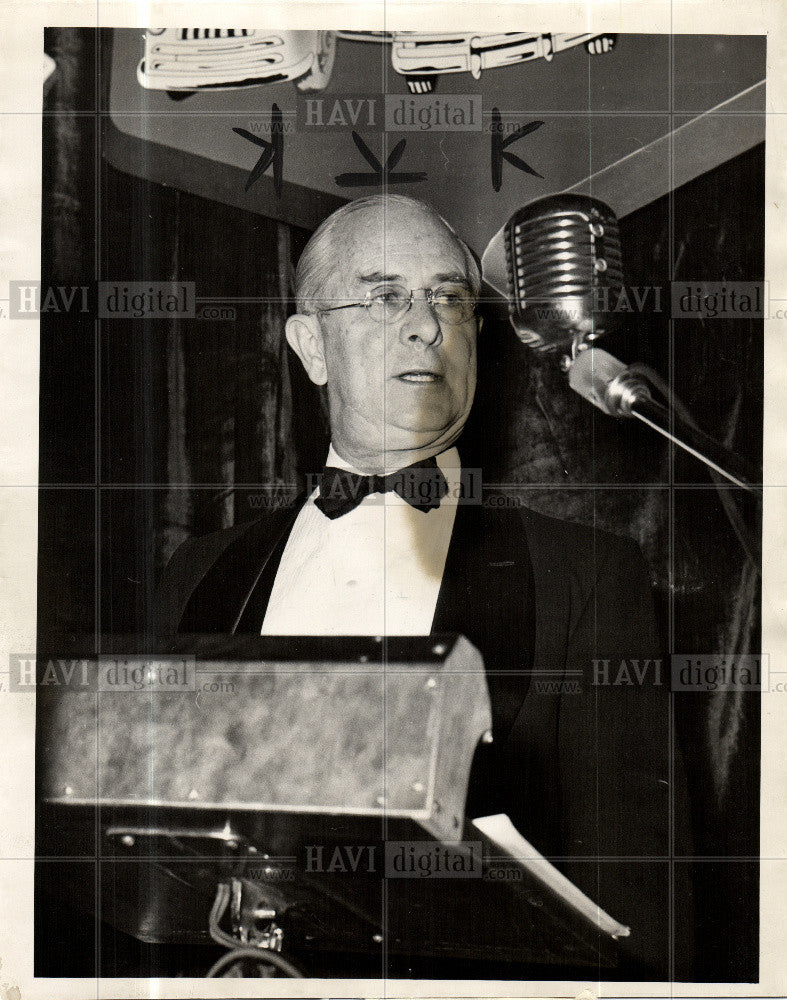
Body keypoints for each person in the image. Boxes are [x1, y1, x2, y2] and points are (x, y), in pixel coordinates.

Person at [155, 193, 691, 978]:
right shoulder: (199, 573)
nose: (425, 324)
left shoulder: (584, 574)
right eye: (382, 296)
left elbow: (641, 902)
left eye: (448, 297)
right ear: (310, 346)